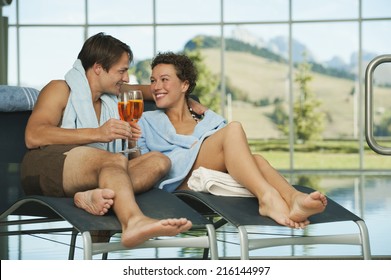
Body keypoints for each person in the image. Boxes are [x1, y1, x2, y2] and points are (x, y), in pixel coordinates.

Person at [20, 33, 192, 248]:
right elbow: (33, 136)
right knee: (113, 160)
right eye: (122, 71)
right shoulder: (60, 89)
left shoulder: (113, 95)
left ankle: (89, 196)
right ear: (98, 68)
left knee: (159, 161)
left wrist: (191, 101)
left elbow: (151, 91)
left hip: (93, 170)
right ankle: (133, 221)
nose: (127, 78)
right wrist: (98, 133)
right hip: (45, 167)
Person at [134, 51, 328, 229]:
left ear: (184, 85)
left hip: (210, 174)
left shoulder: (209, 121)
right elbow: (142, 164)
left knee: (257, 159)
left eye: (164, 79)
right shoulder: (145, 120)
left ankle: (294, 197)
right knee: (233, 129)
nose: (156, 86)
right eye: (153, 80)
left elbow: (235, 157)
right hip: (177, 181)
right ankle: (267, 198)